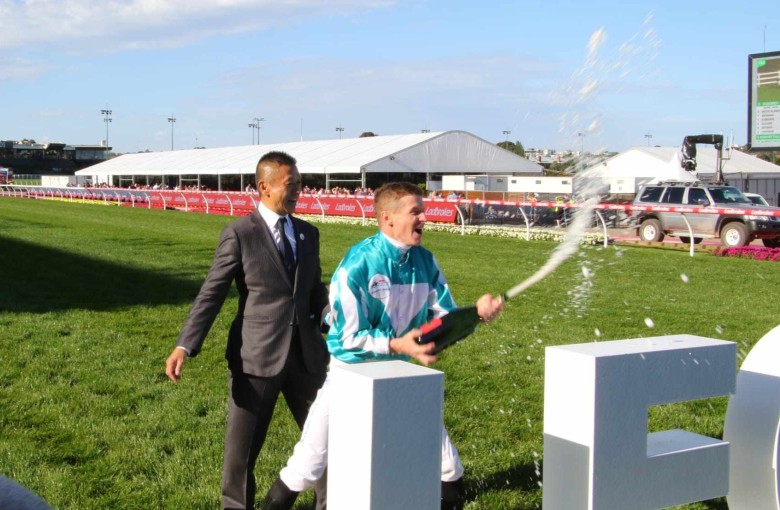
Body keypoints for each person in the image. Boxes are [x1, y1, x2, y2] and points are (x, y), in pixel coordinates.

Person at [261, 182, 504, 510]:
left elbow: (443, 323)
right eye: (415, 211)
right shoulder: (359, 263)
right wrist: (396, 344)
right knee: (306, 466)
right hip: (349, 376)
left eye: (424, 210)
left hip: (401, 377)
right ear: (388, 218)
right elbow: (344, 339)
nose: (424, 218)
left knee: (449, 466)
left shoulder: (426, 262)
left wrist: (475, 314)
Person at [165, 151, 330, 510]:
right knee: (241, 457)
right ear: (264, 187)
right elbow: (212, 292)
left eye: (300, 183)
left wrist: (331, 314)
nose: (299, 190)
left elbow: (314, 289)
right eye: (292, 184)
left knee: (326, 443)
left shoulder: (308, 234)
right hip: (256, 358)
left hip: (307, 357)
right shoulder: (239, 234)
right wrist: (185, 346)